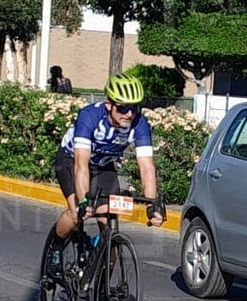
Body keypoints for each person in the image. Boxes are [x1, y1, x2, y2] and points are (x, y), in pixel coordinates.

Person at [51, 73, 165, 254]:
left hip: (103, 166)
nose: (129, 114)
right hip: (71, 160)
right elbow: (81, 164)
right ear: (109, 105)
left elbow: (147, 167)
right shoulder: (90, 116)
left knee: (110, 232)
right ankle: (55, 250)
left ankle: (99, 275)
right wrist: (83, 201)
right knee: (76, 215)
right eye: (122, 108)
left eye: (134, 108)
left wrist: (152, 205)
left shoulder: (139, 123)